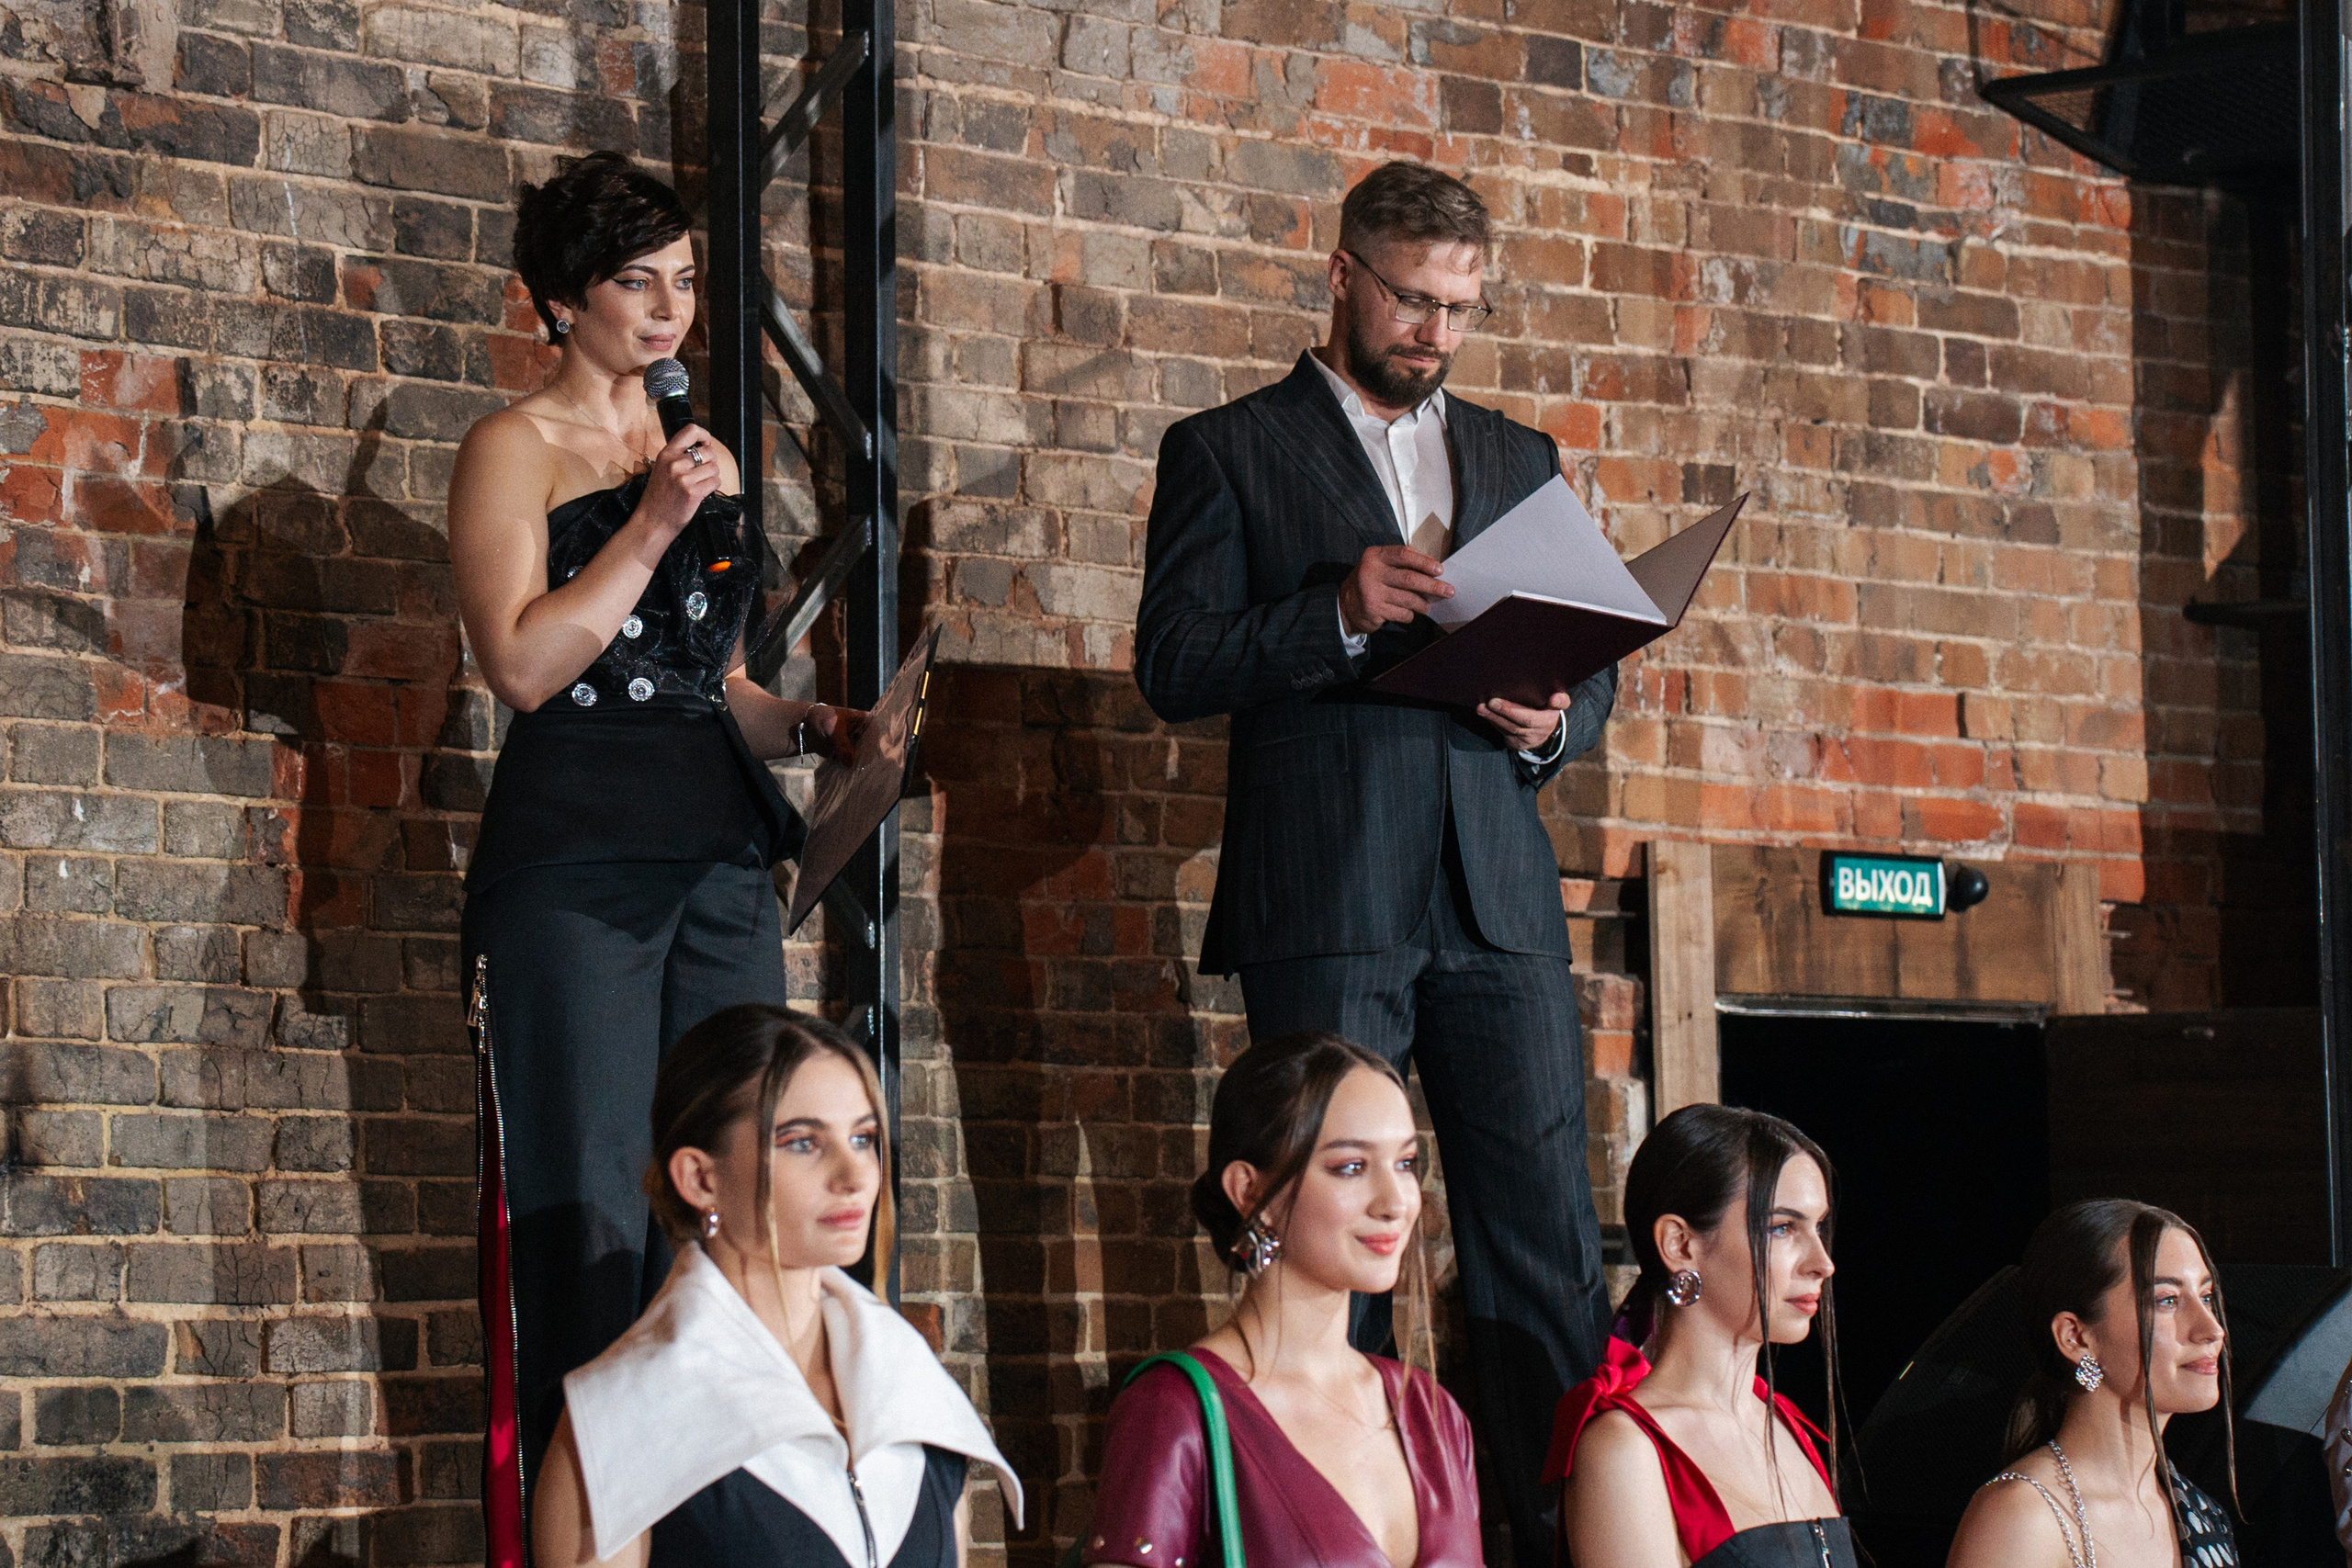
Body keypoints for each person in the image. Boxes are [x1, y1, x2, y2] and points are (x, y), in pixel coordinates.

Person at [1131, 156, 1619, 1565]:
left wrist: (1556, 716)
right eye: (1413, 299)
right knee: (1329, 1244)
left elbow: (1591, 679)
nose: (1436, 332)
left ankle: (1554, 1539)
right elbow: (1172, 661)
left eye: (1462, 308)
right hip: (1327, 890)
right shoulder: (1227, 449)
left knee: (1546, 1245)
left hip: (1501, 899)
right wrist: (1336, 612)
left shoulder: (1521, 456)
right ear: (1343, 276)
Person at [449, 151, 866, 1560]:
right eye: (638, 282)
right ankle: (589, 1532)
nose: (670, 309)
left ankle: (722, 1525)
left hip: (716, 853)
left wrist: (811, 718)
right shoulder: (514, 447)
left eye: (687, 282)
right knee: (592, 1197)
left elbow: (710, 680)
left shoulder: (700, 454)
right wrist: (651, 521)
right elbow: (522, 660)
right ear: (560, 300)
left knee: (733, 1192)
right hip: (577, 859)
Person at [531, 1004, 1022, 1567]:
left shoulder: (916, 1392)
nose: (854, 1175)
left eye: (862, 1139)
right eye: (803, 1143)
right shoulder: (619, 1423)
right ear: (700, 1177)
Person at [1081, 1032, 1483, 1567]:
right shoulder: (1175, 1409)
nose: (1396, 1203)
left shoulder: (1432, 1413)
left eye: (1406, 1163)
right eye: (1351, 1168)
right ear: (1249, 1192)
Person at [1547, 1103, 1858, 1568]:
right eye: (1782, 1228)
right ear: (1681, 1245)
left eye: (1818, 1228)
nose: (1822, 1262)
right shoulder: (1624, 1450)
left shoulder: (1785, 1425)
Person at [1947, 1200, 2239, 1568]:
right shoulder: (2022, 1517)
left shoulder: (2200, 1513)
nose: (2212, 1329)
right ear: (2076, 1337)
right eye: (2167, 1300)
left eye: (2207, 1296)